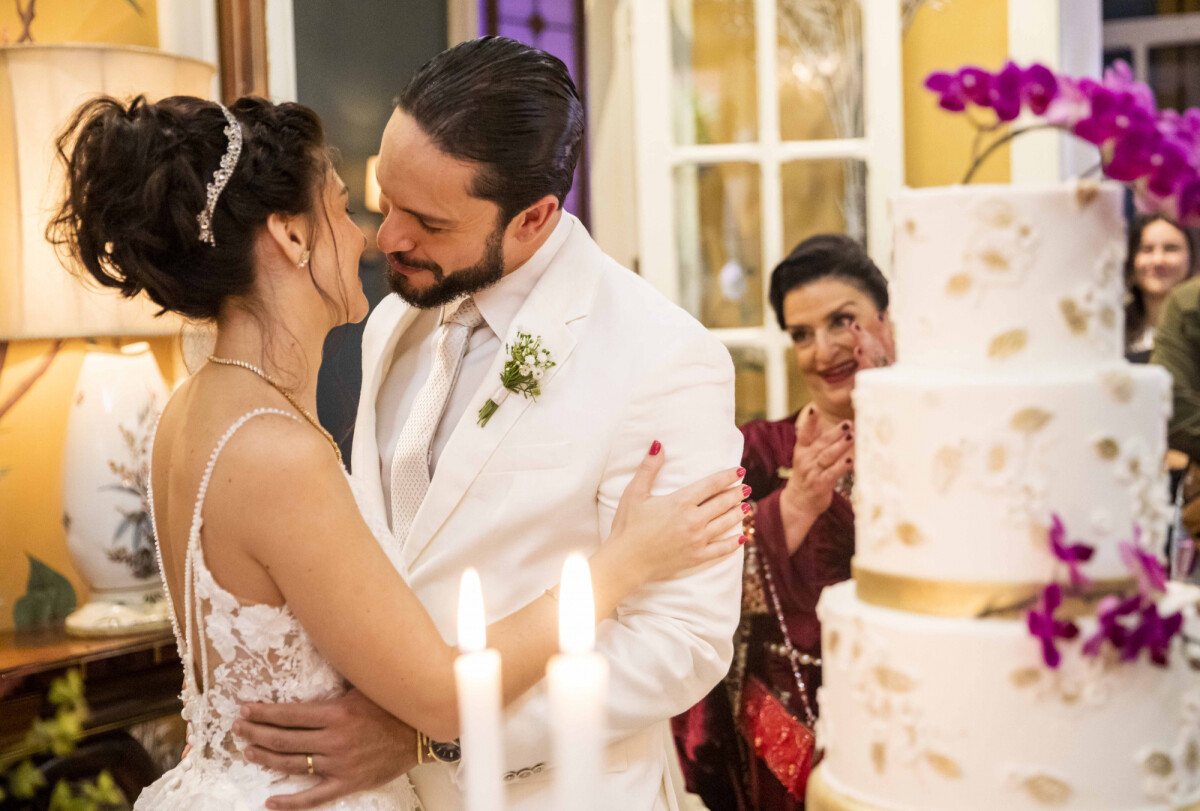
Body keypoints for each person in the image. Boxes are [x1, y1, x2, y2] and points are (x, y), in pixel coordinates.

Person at [49, 91, 747, 810]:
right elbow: (441, 691)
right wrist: (619, 566)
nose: (377, 240)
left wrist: (415, 735)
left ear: (533, 214)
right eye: (356, 206)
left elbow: (682, 641)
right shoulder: (288, 432)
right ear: (290, 236)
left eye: (422, 218)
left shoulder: (189, 409)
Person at [673, 234, 893, 811]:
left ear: (885, 320)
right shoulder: (759, 452)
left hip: (913, 720)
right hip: (783, 742)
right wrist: (791, 509)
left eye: (842, 322)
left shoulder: (941, 446)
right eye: (800, 334)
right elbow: (696, 588)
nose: (823, 352)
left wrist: (897, 423)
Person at [1125, 213, 1197, 362]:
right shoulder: (1113, 330)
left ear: (1193, 256)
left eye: (1171, 249)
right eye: (1146, 249)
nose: (1158, 260)